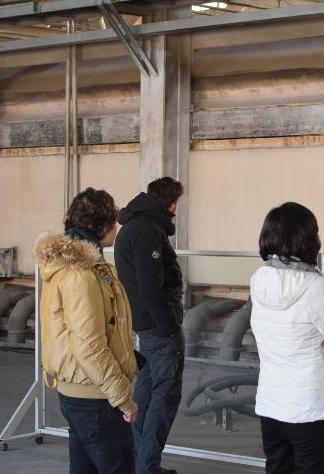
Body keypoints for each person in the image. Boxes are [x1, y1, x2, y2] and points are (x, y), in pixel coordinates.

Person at [34, 187, 139, 474]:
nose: (116, 229)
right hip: (95, 397)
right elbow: (89, 346)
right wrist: (123, 398)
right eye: (114, 223)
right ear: (103, 226)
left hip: (77, 393)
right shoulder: (82, 275)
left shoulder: (69, 268)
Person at [250, 202, 324, 474]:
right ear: (308, 238)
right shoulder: (315, 286)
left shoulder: (259, 278)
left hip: (271, 405)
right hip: (312, 408)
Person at [115, 176, 185, 474]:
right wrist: (168, 326)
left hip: (145, 325)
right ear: (171, 203)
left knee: (145, 391)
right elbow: (150, 286)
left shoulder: (136, 226)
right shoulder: (146, 230)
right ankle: (147, 466)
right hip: (158, 327)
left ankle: (140, 462)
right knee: (165, 396)